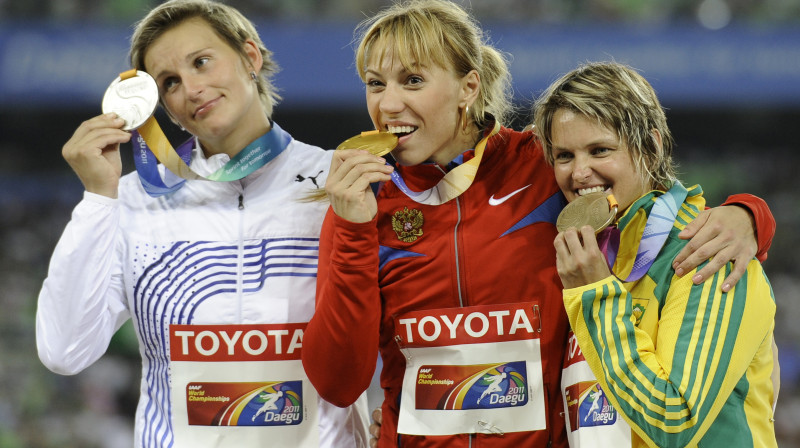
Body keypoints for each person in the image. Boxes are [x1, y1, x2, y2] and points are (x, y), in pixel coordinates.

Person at [300, 1, 775, 447]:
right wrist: (352, 230)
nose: (389, 104)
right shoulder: (360, 203)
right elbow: (340, 385)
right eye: (375, 83)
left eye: (413, 80)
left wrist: (749, 214)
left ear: (469, 86)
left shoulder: (544, 165)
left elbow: (646, 192)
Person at [35, 1, 369, 447]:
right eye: (169, 82)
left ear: (250, 57)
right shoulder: (133, 201)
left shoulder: (341, 183)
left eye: (202, 62)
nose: (191, 89)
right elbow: (63, 351)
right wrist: (98, 199)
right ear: (160, 105)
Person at [535, 61, 777, 447]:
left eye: (600, 150)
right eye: (564, 156)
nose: (579, 173)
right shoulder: (591, 253)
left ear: (652, 146)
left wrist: (594, 296)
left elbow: (672, 420)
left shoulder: (708, 252)